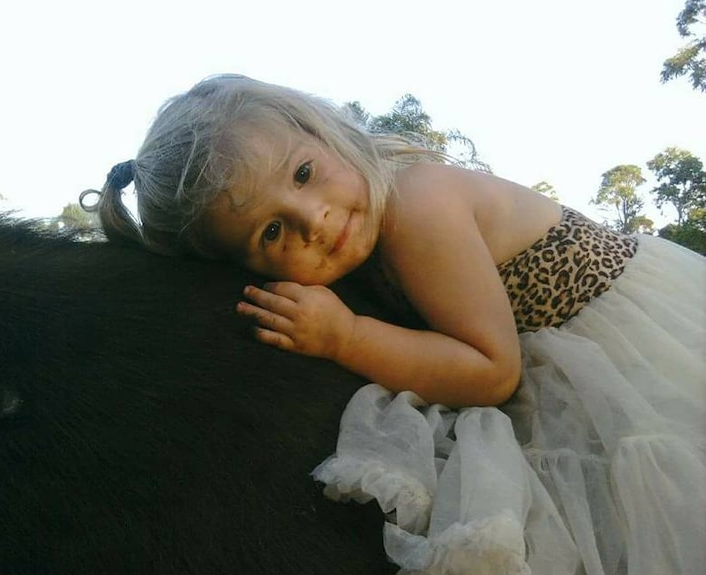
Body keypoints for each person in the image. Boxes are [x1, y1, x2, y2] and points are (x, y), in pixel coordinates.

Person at [84, 74, 705, 574]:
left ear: (322, 133)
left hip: (624, 348)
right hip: (554, 356)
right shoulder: (367, 224)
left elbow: (492, 373)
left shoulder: (416, 204)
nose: (315, 219)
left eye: (303, 173)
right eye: (271, 231)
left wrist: (346, 336)